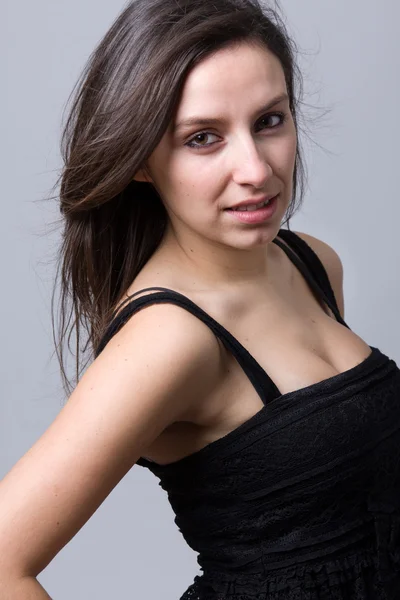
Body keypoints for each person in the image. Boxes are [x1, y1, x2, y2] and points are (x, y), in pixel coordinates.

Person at [1, 0, 399, 598]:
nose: (256, 170)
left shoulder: (312, 262)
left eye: (269, 121)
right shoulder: (170, 337)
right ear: (139, 161)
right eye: (204, 138)